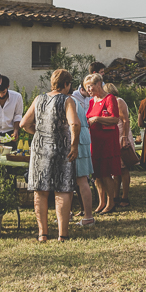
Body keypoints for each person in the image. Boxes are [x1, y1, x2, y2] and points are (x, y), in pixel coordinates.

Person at [20, 69, 79, 242]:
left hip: (39, 148)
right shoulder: (67, 100)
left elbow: (24, 123)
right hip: (61, 148)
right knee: (63, 188)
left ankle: (43, 234)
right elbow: (74, 123)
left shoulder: (39, 99)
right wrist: (74, 145)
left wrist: (39, 133)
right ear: (66, 84)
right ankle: (62, 234)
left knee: (40, 190)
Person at [85, 73, 121, 214]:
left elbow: (115, 119)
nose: (88, 89)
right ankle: (101, 202)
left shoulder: (110, 98)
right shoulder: (92, 101)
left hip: (107, 140)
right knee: (97, 173)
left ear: (99, 84)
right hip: (94, 140)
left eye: (90, 86)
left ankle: (111, 202)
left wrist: (98, 119)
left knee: (106, 173)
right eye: (86, 87)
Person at [69, 79, 95, 227]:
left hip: (77, 139)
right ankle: (83, 215)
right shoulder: (74, 101)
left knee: (80, 180)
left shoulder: (69, 101)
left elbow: (74, 124)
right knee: (80, 180)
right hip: (83, 138)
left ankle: (87, 216)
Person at [104, 82, 134, 208]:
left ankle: (125, 196)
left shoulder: (119, 101)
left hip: (122, 134)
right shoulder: (106, 102)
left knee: (124, 168)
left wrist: (124, 137)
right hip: (113, 136)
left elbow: (125, 120)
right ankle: (115, 195)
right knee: (115, 169)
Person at [0, 75, 23, 142]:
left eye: (4, 92)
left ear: (8, 87)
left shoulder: (17, 97)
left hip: (10, 134)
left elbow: (18, 115)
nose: (1, 95)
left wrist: (16, 131)